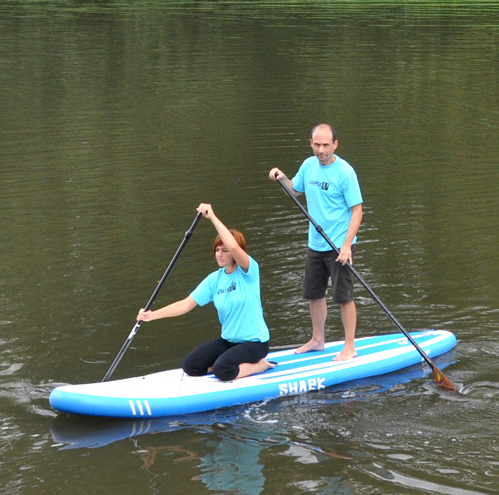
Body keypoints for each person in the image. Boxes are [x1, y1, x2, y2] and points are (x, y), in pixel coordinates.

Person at [137, 203, 273, 382]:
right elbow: (185, 304)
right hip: (228, 341)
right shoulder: (214, 280)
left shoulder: (249, 271)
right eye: (217, 250)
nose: (219, 254)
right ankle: (222, 368)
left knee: (223, 369)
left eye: (224, 251)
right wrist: (152, 316)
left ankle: (260, 365)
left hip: (255, 343)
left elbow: (234, 247)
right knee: (190, 365)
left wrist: (212, 217)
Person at [268, 123, 363, 361]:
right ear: (311, 143)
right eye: (317, 145)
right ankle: (318, 339)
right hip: (315, 243)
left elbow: (357, 211)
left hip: (339, 246)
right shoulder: (308, 166)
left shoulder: (345, 172)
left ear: (335, 145)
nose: (321, 150)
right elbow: (295, 191)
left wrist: (346, 245)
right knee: (314, 294)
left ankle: (349, 346)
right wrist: (282, 179)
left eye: (326, 145)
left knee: (344, 296)